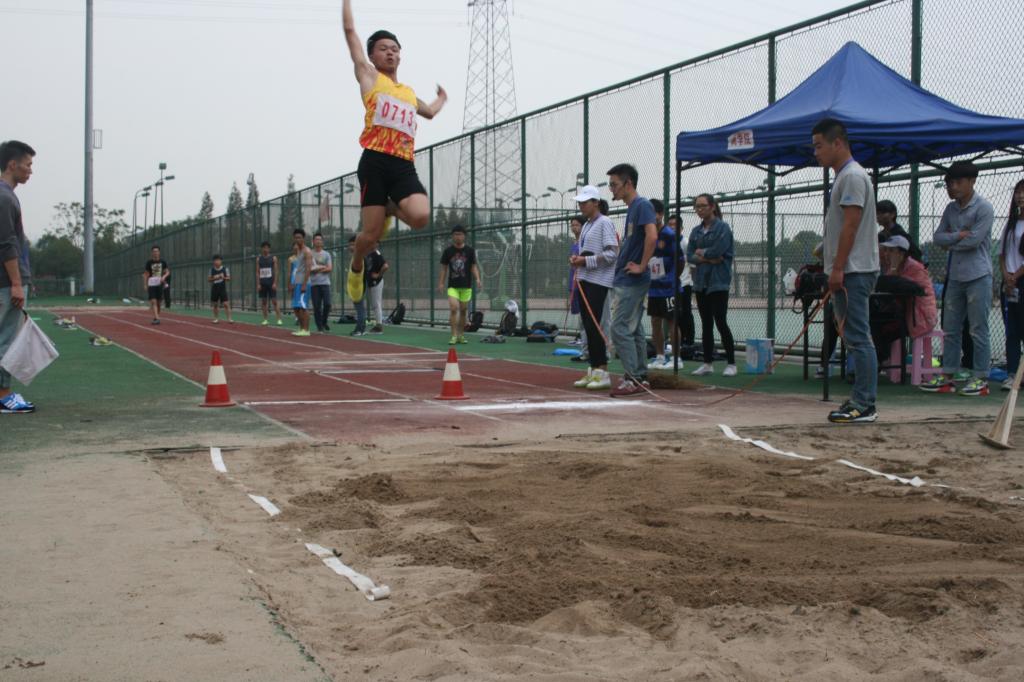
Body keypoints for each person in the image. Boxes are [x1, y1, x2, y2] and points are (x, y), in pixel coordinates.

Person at [342, 0, 447, 305]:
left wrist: (442, 98)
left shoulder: (409, 93)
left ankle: (390, 207)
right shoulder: (370, 78)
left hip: (403, 165)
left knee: (420, 216)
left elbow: (429, 112)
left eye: (395, 49)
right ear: (373, 55)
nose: (391, 52)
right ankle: (357, 264)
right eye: (384, 48)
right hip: (374, 162)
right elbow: (350, 31)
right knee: (370, 236)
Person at [812, 117, 880, 423]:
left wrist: (838, 268)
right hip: (848, 269)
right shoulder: (844, 178)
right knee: (853, 335)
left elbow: (851, 225)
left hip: (854, 270)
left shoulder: (852, 176)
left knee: (858, 336)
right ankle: (861, 400)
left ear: (837, 142)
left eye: (819, 146)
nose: (816, 153)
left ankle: (865, 404)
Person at [921, 161, 995, 396]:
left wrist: (952, 242)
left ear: (972, 181)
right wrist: (957, 236)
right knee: (950, 329)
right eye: (950, 183)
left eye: (958, 182)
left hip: (979, 275)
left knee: (977, 328)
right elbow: (938, 238)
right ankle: (947, 376)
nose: (953, 187)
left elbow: (974, 241)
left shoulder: (984, 208)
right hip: (955, 277)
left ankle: (980, 378)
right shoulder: (951, 209)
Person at [606, 163, 658, 397]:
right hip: (626, 278)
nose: (611, 189)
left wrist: (642, 265)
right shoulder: (633, 208)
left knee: (618, 327)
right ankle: (639, 376)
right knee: (634, 328)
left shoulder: (642, 205)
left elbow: (652, 235)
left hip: (633, 280)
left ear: (628, 183)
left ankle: (633, 378)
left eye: (614, 184)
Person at [569, 186, 618, 391]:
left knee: (596, 326)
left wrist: (584, 260)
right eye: (579, 202)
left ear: (596, 202)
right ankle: (593, 369)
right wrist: (577, 260)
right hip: (585, 280)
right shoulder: (588, 225)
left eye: (585, 202)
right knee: (588, 326)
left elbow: (612, 253)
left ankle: (603, 371)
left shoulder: (605, 222)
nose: (581, 205)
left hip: (598, 281)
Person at [0, 140, 35, 414]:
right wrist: (15, 283)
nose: (30, 170)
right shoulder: (4, 197)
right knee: (6, 339)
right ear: (12, 164)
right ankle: (4, 395)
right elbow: (7, 243)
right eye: (28, 164)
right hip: (5, 283)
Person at [686, 194, 737, 378]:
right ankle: (707, 363)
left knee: (720, 321)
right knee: (706, 323)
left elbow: (720, 250)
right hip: (701, 283)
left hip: (718, 282)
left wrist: (703, 254)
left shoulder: (723, 228)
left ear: (712, 207)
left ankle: (731, 363)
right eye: (697, 207)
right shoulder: (695, 231)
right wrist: (709, 258)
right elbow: (690, 254)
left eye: (703, 206)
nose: (700, 210)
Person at [873, 236, 937, 362]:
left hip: (920, 317)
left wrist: (893, 268)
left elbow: (898, 287)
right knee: (876, 322)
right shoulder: (897, 267)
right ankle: (878, 362)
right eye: (886, 250)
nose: (887, 254)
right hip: (905, 314)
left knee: (881, 328)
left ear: (901, 253)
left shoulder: (914, 268)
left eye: (891, 251)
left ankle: (878, 362)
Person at [646, 199, 680, 370]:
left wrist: (672, 278)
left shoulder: (669, 234)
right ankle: (660, 355)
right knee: (655, 321)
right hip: (653, 287)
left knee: (672, 321)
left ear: (660, 215)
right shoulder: (648, 233)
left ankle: (676, 358)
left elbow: (679, 260)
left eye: (654, 213)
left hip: (669, 287)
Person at [998, 180, 1024, 390]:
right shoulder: (1010, 224)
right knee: (1012, 331)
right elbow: (1001, 254)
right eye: (1018, 192)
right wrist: (1007, 276)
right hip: (1009, 284)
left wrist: (1016, 275)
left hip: (1021, 281)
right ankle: (1012, 374)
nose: (1020, 196)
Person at [438, 225, 481, 345]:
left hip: (466, 286)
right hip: (453, 287)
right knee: (453, 308)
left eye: (460, 234)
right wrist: (441, 283)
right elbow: (443, 269)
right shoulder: (448, 251)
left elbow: (473, 267)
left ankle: (461, 335)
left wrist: (477, 279)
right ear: (452, 236)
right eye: (455, 234)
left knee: (463, 310)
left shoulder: (470, 251)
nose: (457, 237)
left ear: (464, 236)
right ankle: (453, 335)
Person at [669, 214, 695, 350]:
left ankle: (689, 341)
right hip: (672, 285)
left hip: (685, 283)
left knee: (686, 312)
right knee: (674, 314)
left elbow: (692, 262)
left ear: (681, 228)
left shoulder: (685, 242)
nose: (673, 228)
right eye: (670, 225)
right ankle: (677, 341)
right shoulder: (668, 242)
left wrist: (690, 278)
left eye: (675, 225)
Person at [290, 229, 314, 337]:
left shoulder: (307, 251)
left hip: (304, 282)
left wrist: (304, 284)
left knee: (303, 307)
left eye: (299, 237)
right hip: (297, 282)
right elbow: (297, 269)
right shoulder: (298, 251)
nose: (297, 239)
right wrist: (294, 282)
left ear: (303, 238)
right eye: (295, 237)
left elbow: (308, 268)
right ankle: (301, 328)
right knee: (296, 307)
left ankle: (306, 329)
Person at [310, 233, 333, 332]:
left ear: (322, 242)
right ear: (313, 241)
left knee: (327, 304)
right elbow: (310, 269)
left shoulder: (327, 254)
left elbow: (329, 268)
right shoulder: (310, 254)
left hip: (325, 283)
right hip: (314, 284)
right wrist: (323, 267)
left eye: (320, 239)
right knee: (317, 306)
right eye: (316, 239)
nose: (318, 241)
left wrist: (318, 269)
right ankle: (320, 326)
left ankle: (324, 322)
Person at [256, 241, 282, 326]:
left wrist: (275, 283)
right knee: (264, 302)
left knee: (274, 301)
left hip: (271, 283)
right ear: (262, 249)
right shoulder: (259, 259)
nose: (265, 249)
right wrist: (258, 284)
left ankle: (279, 319)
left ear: (269, 249)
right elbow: (257, 272)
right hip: (263, 283)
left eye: (267, 247)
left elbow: (276, 271)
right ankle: (265, 319)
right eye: (264, 247)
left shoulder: (273, 258)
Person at [568, 215, 585, 346]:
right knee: (578, 309)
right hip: (574, 278)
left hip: (583, 279)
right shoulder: (574, 243)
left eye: (577, 225)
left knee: (585, 309)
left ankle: (584, 337)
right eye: (572, 225)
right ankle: (581, 336)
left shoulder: (585, 242)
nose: (574, 227)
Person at [143, 245, 170, 325]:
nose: (155, 253)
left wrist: (164, 277)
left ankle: (156, 317)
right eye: (154, 251)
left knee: (158, 302)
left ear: (159, 252)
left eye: (157, 251)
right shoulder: (149, 263)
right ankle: (157, 318)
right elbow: (146, 274)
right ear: (152, 253)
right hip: (151, 283)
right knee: (153, 301)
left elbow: (167, 272)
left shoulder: (163, 262)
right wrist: (145, 284)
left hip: (159, 283)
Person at [347, 236, 368, 336]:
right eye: (350, 245)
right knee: (361, 309)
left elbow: (360, 272)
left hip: (358, 286)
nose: (351, 247)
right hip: (356, 286)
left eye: (353, 245)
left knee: (360, 309)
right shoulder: (356, 256)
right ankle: (362, 328)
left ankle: (359, 329)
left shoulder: (359, 257)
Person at [365, 242, 388, 333]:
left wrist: (378, 275)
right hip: (371, 282)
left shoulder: (377, 254)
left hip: (376, 282)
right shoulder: (369, 254)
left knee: (376, 303)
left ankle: (379, 326)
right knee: (374, 304)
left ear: (376, 244)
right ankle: (378, 325)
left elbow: (385, 266)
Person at [208, 254, 233, 324]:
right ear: (213, 262)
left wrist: (223, 277)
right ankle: (216, 319)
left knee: (226, 304)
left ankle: (229, 319)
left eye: (218, 260)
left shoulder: (225, 269)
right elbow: (209, 279)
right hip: (215, 289)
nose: (217, 262)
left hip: (222, 289)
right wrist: (215, 278)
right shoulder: (211, 270)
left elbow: (229, 278)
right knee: (215, 304)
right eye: (215, 260)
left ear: (221, 261)